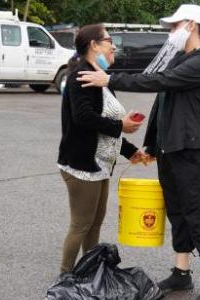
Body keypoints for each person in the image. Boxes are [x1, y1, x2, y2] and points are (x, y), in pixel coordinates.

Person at [77, 4, 200, 300]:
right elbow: (163, 103)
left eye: (174, 27)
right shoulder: (181, 59)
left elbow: (157, 81)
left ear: (190, 26)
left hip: (194, 150)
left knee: (197, 211)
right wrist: (150, 145)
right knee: (177, 211)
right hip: (171, 148)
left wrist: (109, 79)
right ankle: (181, 273)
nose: (170, 33)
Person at [57, 24, 146, 273]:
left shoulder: (101, 77)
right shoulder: (81, 75)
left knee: (94, 224)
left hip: (101, 164)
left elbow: (104, 122)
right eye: (109, 40)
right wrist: (121, 125)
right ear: (94, 45)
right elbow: (84, 117)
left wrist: (130, 150)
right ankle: (64, 276)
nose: (114, 45)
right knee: (81, 225)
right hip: (82, 165)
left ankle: (90, 271)